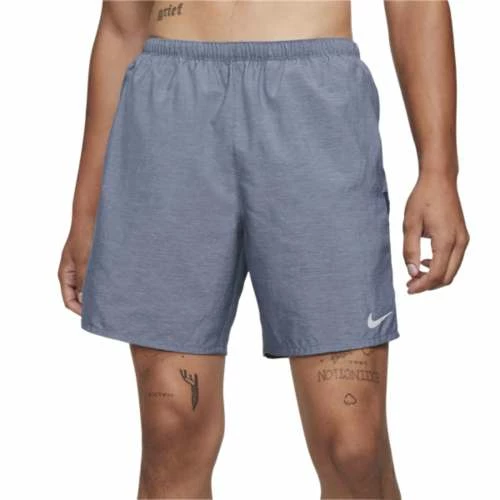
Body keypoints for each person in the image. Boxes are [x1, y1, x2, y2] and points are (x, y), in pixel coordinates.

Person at [58, 1, 469, 498]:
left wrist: (439, 170)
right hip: (172, 108)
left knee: (353, 443)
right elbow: (122, 26)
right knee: (173, 427)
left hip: (314, 105)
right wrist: (86, 210)